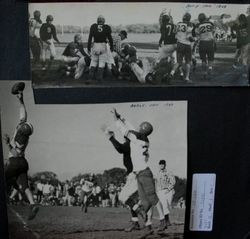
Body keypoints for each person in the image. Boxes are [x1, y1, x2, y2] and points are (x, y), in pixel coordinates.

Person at [111, 108, 167, 237]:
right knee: (145, 203)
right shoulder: (144, 139)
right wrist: (122, 118)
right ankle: (148, 226)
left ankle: (163, 220)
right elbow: (132, 129)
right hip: (139, 173)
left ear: (141, 128)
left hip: (144, 172)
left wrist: (116, 119)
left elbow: (124, 129)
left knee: (152, 198)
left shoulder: (136, 138)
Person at [4, 90, 39, 220]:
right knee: (25, 186)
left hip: (15, 161)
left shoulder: (19, 137)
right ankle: (33, 204)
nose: (23, 121)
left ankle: (9, 197)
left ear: (23, 128)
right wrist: (21, 100)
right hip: (23, 163)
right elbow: (23, 114)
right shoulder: (24, 133)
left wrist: (8, 143)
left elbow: (15, 152)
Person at [169, 12, 196, 82]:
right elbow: (189, 36)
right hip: (186, 45)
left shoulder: (178, 24)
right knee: (188, 62)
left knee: (178, 62)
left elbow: (174, 32)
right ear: (189, 18)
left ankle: (171, 73)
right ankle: (186, 78)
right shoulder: (189, 24)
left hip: (179, 44)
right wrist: (194, 39)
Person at [87, 15, 113, 82]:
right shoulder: (107, 27)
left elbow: (90, 38)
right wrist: (112, 47)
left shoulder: (93, 26)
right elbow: (110, 38)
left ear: (97, 21)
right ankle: (99, 78)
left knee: (93, 62)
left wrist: (88, 47)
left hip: (95, 45)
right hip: (103, 45)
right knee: (101, 62)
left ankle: (90, 78)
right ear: (104, 21)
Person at [155, 160, 176, 227]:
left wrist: (169, 189)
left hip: (168, 190)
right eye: (160, 164)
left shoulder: (169, 172)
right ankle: (166, 221)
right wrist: (156, 191)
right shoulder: (157, 173)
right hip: (160, 191)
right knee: (164, 205)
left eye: (162, 164)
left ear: (165, 165)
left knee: (168, 204)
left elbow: (173, 181)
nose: (161, 165)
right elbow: (156, 183)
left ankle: (167, 220)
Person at [196, 13, 215, 78]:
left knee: (203, 60)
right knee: (210, 58)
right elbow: (213, 32)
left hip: (202, 42)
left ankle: (204, 73)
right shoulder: (210, 23)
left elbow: (197, 34)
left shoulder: (198, 25)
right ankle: (210, 68)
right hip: (210, 42)